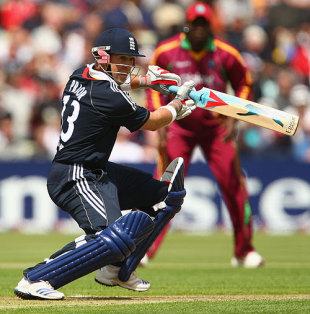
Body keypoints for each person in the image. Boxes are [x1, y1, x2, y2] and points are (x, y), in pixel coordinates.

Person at [14, 27, 197, 300]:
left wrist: (147, 82)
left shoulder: (80, 74)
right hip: (75, 174)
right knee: (109, 238)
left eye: (130, 60)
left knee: (164, 197)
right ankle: (37, 278)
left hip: (97, 171)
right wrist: (177, 105)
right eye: (121, 59)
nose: (127, 66)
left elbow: (114, 83)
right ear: (103, 57)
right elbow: (153, 121)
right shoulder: (110, 96)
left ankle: (116, 270)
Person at [144, 2, 264, 268]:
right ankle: (145, 249)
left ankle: (244, 251)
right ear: (187, 25)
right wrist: (158, 120)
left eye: (203, 24)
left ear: (210, 26)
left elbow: (245, 82)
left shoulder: (226, 53)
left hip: (216, 129)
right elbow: (152, 86)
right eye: (194, 24)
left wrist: (236, 115)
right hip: (179, 127)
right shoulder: (166, 51)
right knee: (163, 187)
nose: (198, 29)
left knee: (233, 186)